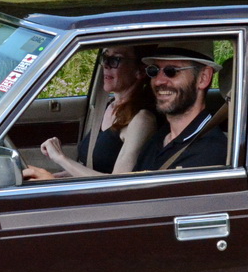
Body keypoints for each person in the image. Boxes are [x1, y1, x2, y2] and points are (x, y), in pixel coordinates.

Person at [23, 44, 157, 180]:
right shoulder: (109, 107)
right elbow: (92, 170)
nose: (106, 65)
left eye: (116, 59)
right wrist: (52, 178)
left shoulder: (142, 120)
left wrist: (61, 158)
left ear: (140, 70)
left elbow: (117, 184)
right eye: (104, 57)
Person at [133, 41, 229, 172]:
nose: (159, 81)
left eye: (171, 71)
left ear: (203, 78)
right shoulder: (158, 137)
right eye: (154, 70)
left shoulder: (211, 153)